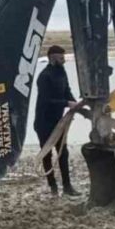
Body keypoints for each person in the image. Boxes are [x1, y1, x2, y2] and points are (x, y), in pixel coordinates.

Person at [34, 45, 78, 196]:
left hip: (58, 121)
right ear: (52, 57)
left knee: (63, 152)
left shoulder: (62, 72)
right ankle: (53, 187)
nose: (64, 60)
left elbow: (67, 91)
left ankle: (67, 187)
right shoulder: (44, 76)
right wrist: (66, 104)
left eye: (64, 57)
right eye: (61, 58)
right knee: (47, 154)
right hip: (43, 122)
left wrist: (75, 104)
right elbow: (46, 101)